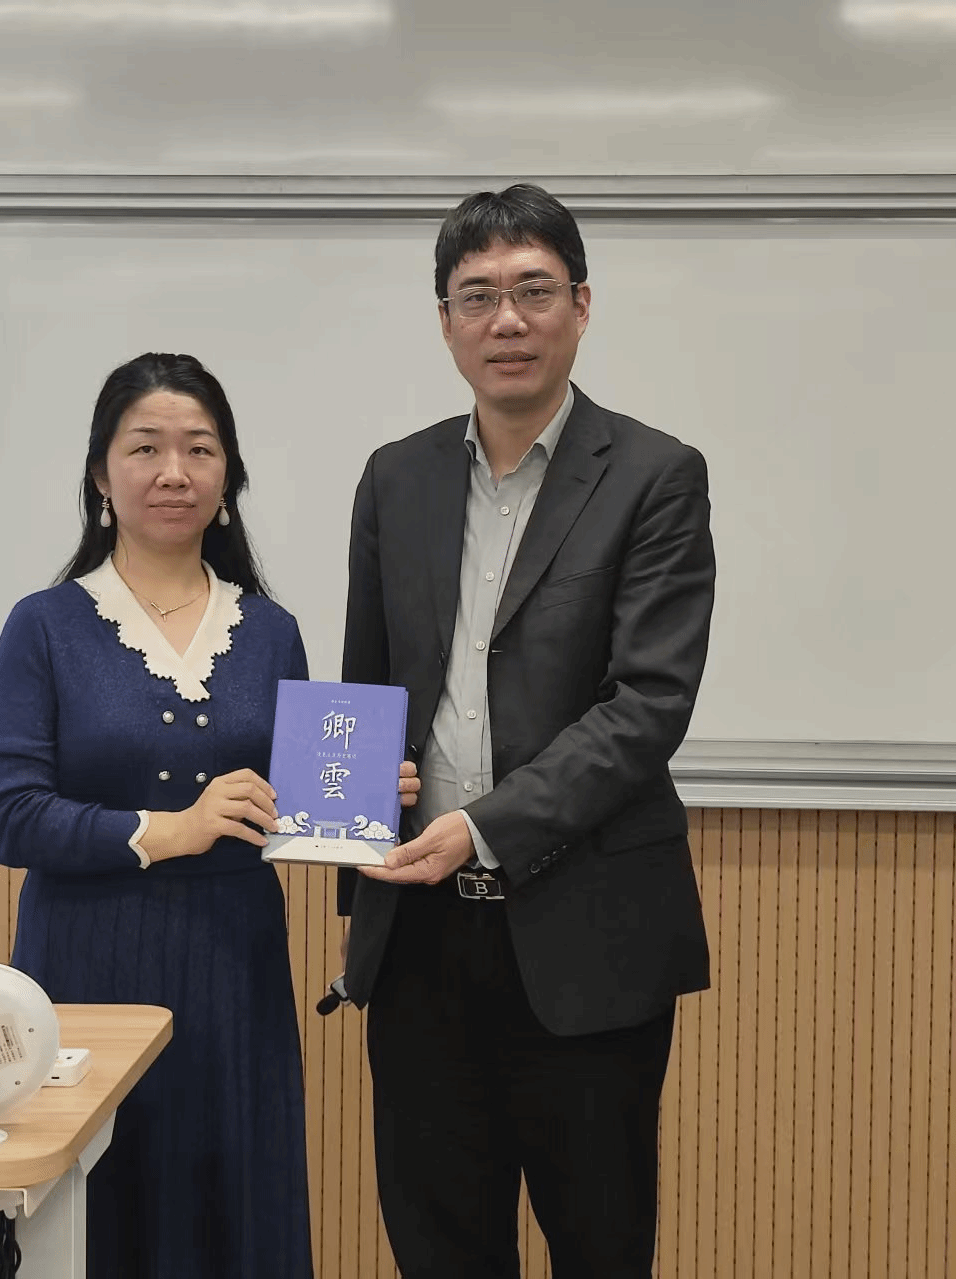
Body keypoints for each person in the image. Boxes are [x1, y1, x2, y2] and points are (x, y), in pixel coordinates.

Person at [338, 184, 717, 1278]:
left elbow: (646, 707)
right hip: (418, 941)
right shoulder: (395, 476)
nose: (505, 319)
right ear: (445, 319)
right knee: (439, 1246)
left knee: (599, 1245)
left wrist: (481, 826)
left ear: (581, 306)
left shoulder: (653, 476)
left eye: (533, 291)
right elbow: (368, 686)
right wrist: (350, 830)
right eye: (477, 296)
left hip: (585, 935)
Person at [0, 352, 376, 1278]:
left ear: (228, 478)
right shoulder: (44, 625)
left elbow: (292, 804)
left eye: (200, 449)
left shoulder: (269, 630)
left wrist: (361, 798)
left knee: (230, 1211)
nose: (174, 471)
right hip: (83, 975)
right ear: (100, 474)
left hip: (235, 972)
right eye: (145, 447)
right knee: (95, 1222)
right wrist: (170, 828)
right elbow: (10, 818)